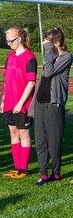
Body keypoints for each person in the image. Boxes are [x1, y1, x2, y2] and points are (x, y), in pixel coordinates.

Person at [34, 27, 73, 186]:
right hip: (40, 103)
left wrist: (49, 49)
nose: (45, 47)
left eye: (48, 43)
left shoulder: (67, 56)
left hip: (54, 104)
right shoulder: (51, 56)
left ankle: (56, 173)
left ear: (55, 42)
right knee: (40, 141)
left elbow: (49, 72)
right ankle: (43, 174)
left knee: (53, 141)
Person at [0, 26, 37, 179]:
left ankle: (24, 169)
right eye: (7, 41)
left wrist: (20, 103)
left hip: (22, 104)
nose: (9, 44)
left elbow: (31, 82)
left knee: (24, 134)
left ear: (19, 39)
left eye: (11, 41)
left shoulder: (30, 57)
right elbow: (6, 80)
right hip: (9, 102)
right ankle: (17, 168)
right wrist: (3, 100)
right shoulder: (9, 57)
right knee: (13, 133)